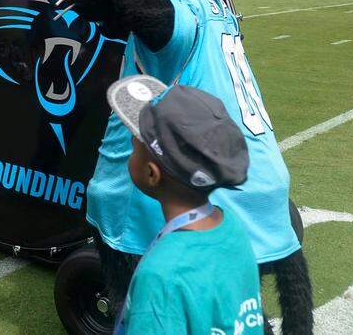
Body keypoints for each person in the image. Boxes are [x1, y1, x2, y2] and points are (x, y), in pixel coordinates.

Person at [107, 75, 263, 335]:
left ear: (151, 174)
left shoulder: (161, 277)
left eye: (135, 145)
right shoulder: (231, 227)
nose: (132, 145)